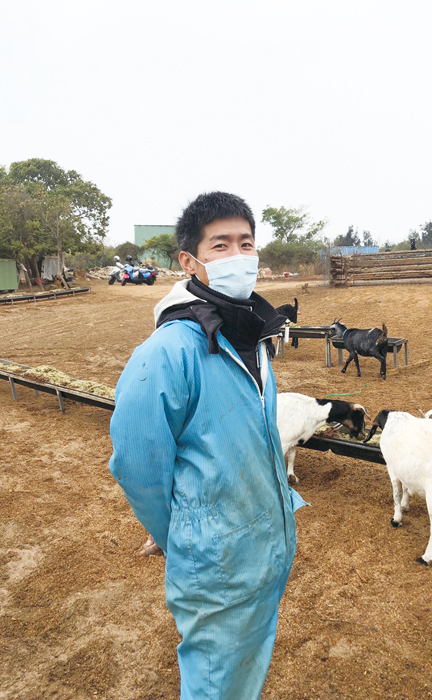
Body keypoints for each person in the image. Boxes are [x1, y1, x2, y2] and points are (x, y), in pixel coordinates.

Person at [109, 191, 307, 699]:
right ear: (189, 261)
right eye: (221, 245)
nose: (239, 256)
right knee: (217, 685)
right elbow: (137, 467)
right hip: (216, 567)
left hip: (263, 552)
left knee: (244, 672)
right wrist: (193, 539)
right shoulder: (169, 351)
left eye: (247, 243)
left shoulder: (253, 336)